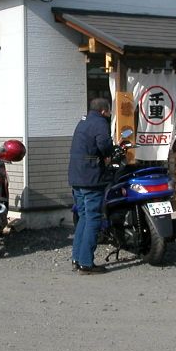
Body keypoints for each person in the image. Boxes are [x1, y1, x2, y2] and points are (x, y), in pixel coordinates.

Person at [68, 97, 115, 275]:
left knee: (83, 217)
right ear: (103, 111)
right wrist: (109, 153)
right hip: (91, 177)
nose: (109, 114)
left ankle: (77, 259)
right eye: (109, 111)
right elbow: (104, 144)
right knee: (93, 218)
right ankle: (86, 263)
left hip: (76, 176)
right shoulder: (100, 122)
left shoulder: (83, 121)